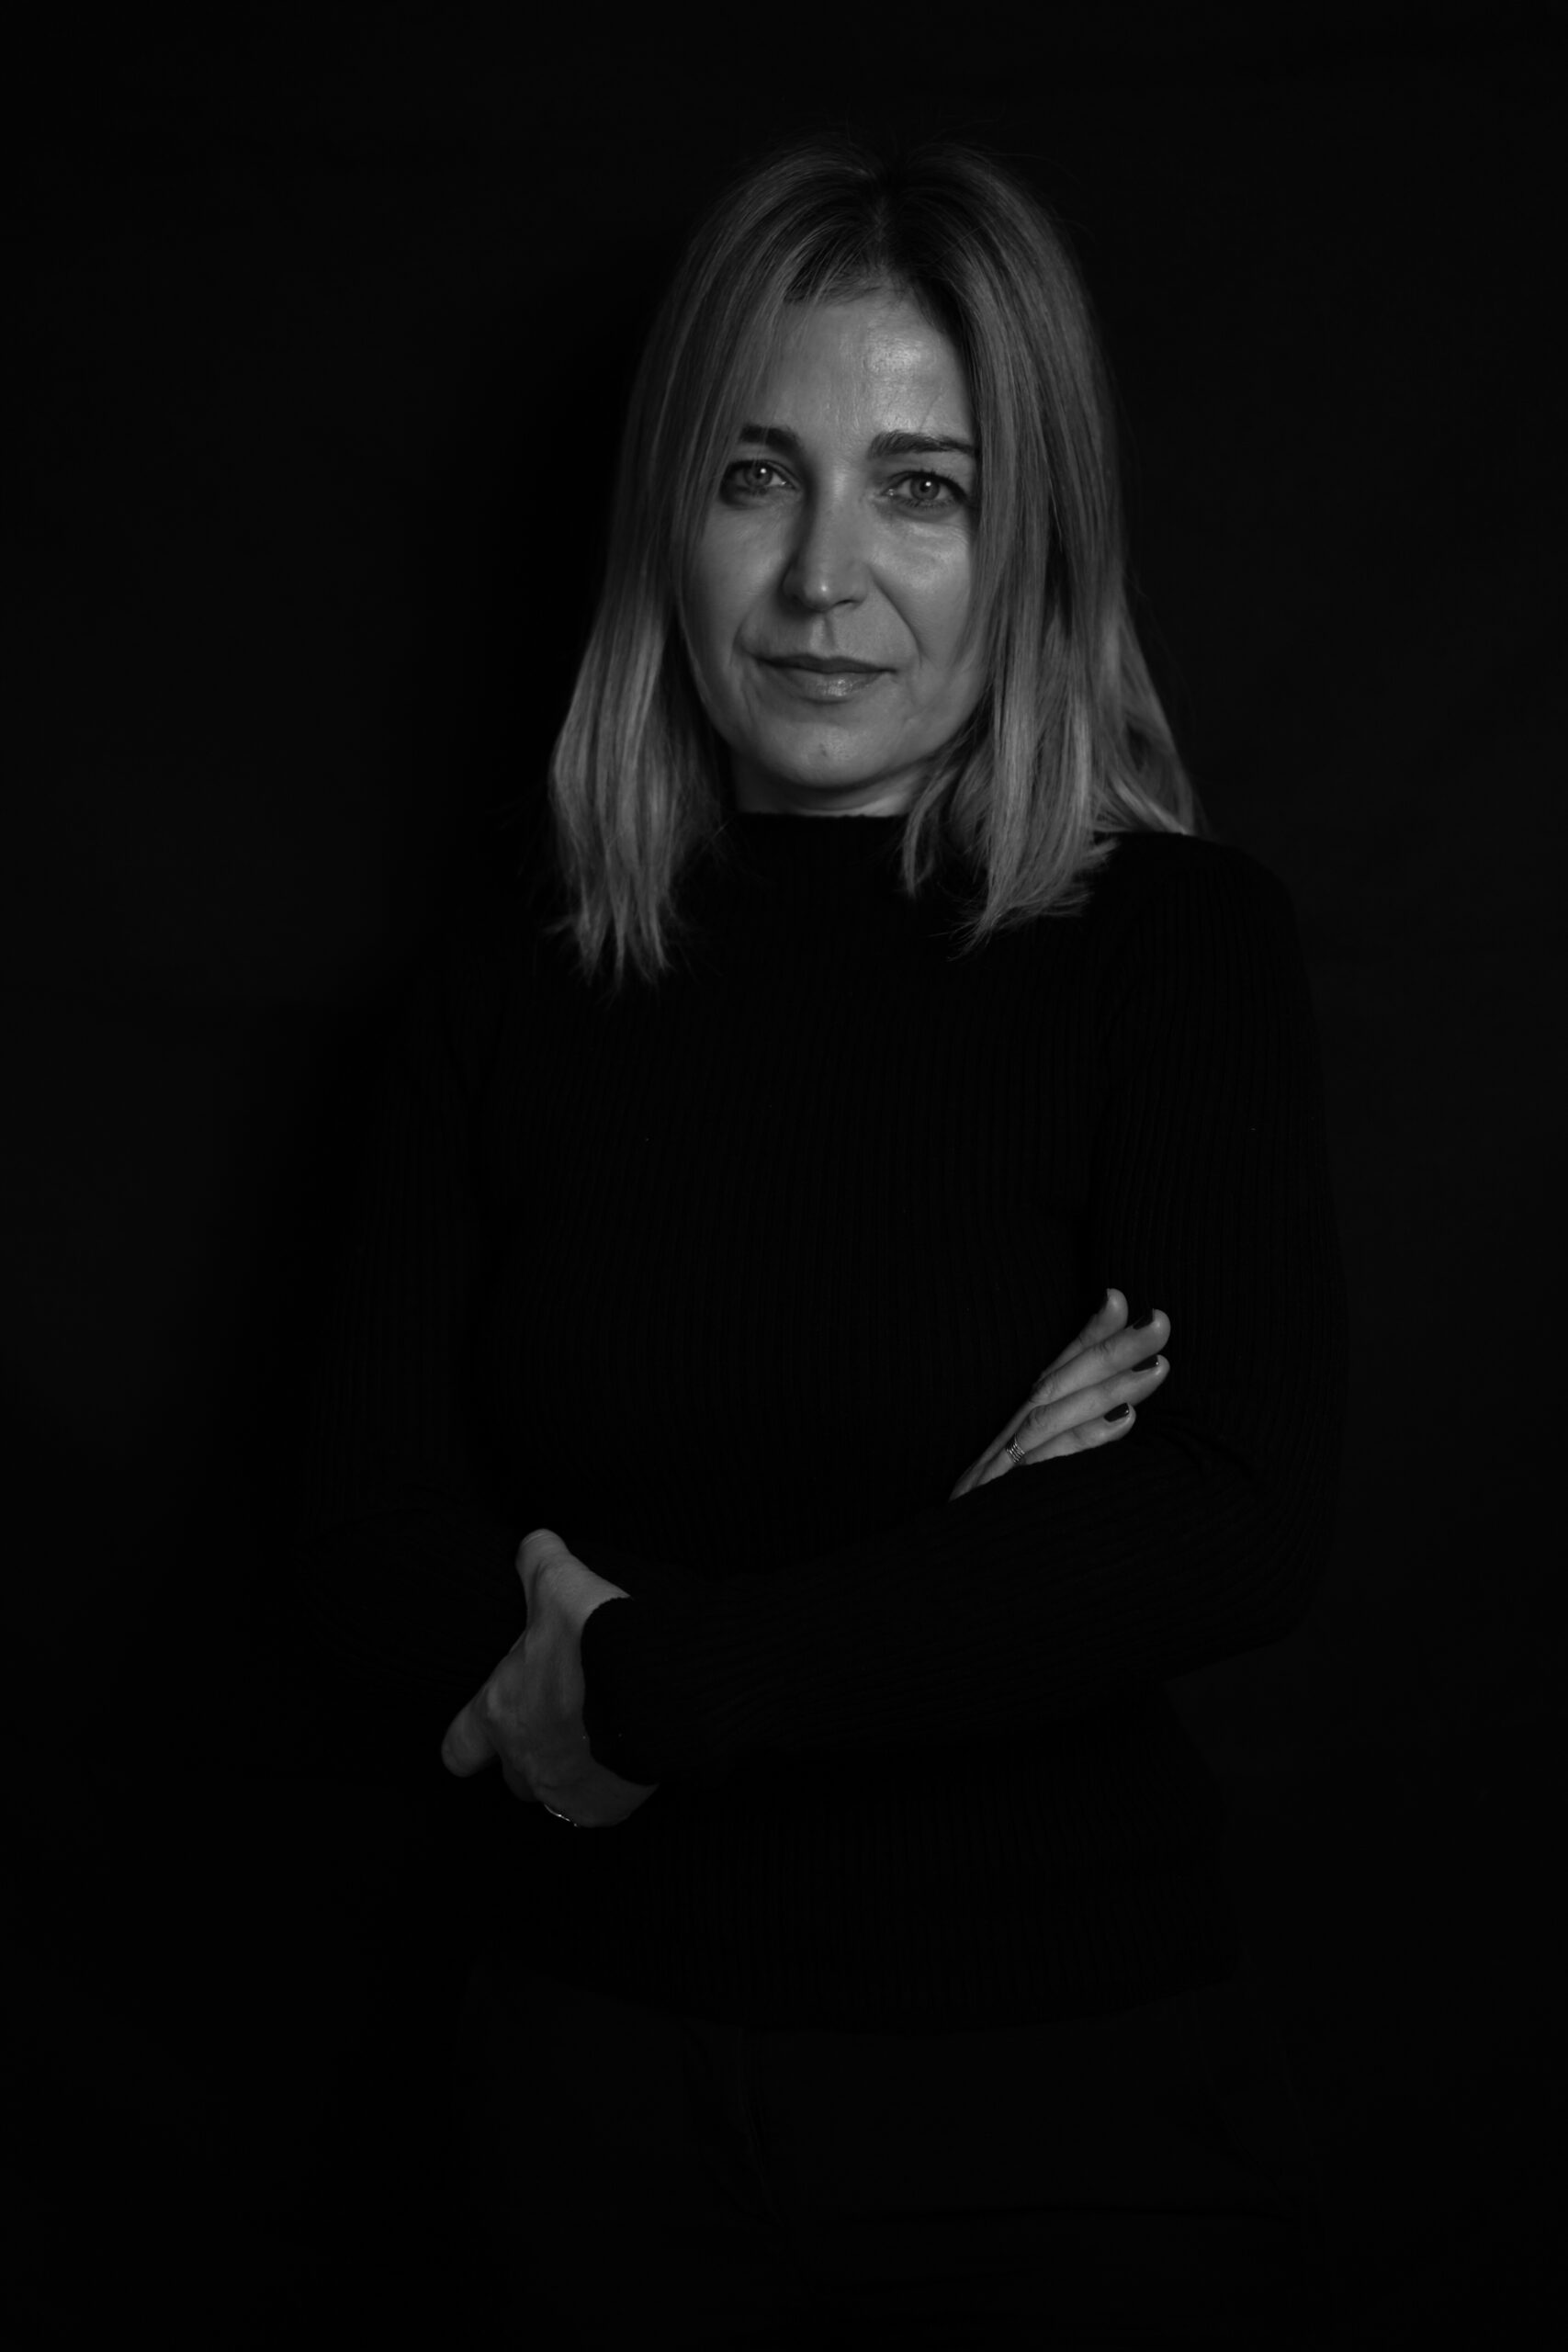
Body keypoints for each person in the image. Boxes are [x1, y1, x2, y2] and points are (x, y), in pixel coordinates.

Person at [288, 132, 1348, 2349]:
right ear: (666, 517)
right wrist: (966, 1544)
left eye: (920, 489)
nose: (820, 578)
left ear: (1028, 538)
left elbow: (1227, 1510)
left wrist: (657, 1682)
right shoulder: (505, 989)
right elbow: (360, 1525)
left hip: (1059, 2108)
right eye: (755, 475)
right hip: (579, 2090)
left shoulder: (1167, 950)